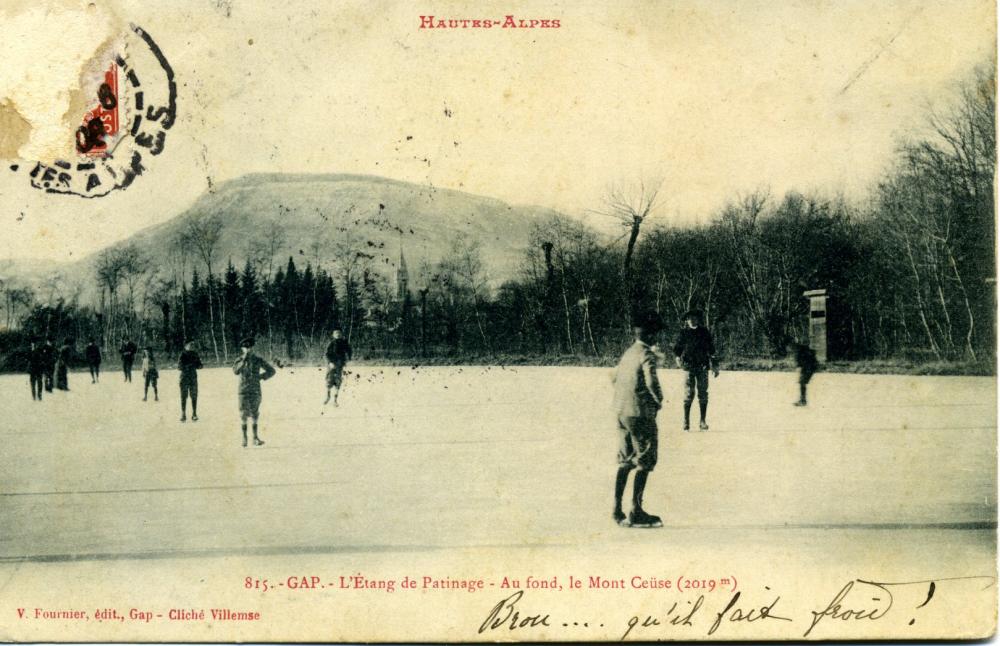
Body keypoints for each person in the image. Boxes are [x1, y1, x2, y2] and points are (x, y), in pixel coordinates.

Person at [610, 310, 665, 528]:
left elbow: (613, 377)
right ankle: (636, 510)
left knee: (625, 460)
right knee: (645, 460)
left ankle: (616, 510)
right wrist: (658, 401)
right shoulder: (646, 354)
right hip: (641, 414)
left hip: (621, 412)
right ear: (651, 335)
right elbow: (651, 381)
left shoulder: (628, 352)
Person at [672, 309, 718, 432]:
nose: (692, 320)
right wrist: (677, 358)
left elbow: (711, 350)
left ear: (698, 319)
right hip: (688, 367)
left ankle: (702, 421)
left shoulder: (704, 332)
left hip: (702, 367)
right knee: (688, 394)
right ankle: (686, 421)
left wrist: (715, 365)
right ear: (687, 321)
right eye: (689, 319)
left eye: (694, 318)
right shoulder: (684, 333)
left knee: (703, 394)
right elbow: (677, 348)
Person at [233, 337, 276, 447]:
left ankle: (255, 438)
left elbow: (272, 371)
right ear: (242, 349)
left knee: (254, 414)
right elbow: (236, 371)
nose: (248, 350)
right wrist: (243, 360)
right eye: (245, 348)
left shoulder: (257, 359)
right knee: (243, 413)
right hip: (243, 390)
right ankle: (244, 438)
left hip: (255, 390)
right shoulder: (239, 360)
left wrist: (260, 377)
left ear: (252, 348)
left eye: (249, 347)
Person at [323, 328, 352, 406]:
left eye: (339, 333)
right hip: (332, 365)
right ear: (333, 335)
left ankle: (335, 400)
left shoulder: (344, 343)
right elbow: (326, 354)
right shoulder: (331, 343)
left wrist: (349, 358)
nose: (338, 334)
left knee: (338, 382)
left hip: (340, 365)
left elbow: (349, 350)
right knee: (329, 381)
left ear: (341, 334)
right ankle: (328, 397)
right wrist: (330, 362)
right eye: (336, 333)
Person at [178, 339, 203, 422]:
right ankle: (183, 414)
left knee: (194, 396)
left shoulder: (195, 354)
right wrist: (189, 366)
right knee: (183, 396)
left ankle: (194, 413)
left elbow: (200, 365)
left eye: (192, 345)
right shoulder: (182, 354)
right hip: (184, 378)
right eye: (190, 345)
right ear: (185, 346)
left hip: (193, 378)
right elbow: (179, 367)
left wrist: (199, 365)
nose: (191, 346)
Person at [793, 342, 819, 406]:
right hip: (808, 368)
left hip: (808, 368)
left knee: (802, 383)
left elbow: (802, 362)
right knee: (802, 383)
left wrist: (800, 366)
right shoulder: (805, 352)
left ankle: (803, 400)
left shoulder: (802, 352)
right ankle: (803, 400)